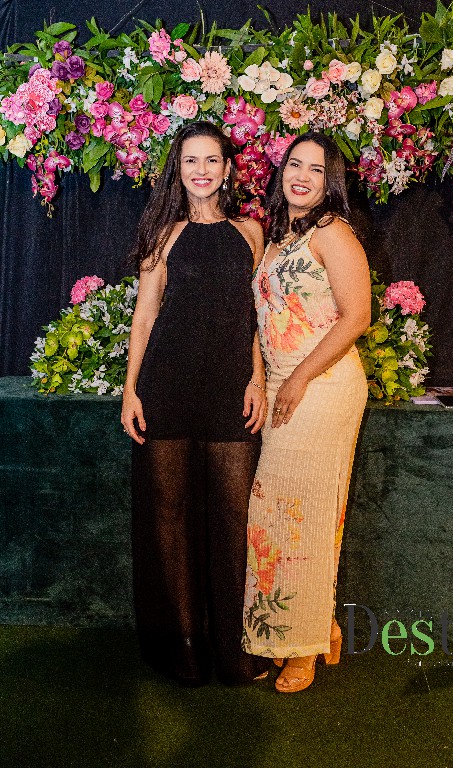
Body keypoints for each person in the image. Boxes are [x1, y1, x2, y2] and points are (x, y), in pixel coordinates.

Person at [121, 121, 270, 686]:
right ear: (177, 170)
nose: (201, 170)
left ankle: (233, 648)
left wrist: (257, 379)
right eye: (190, 161)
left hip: (230, 389)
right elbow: (145, 318)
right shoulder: (163, 236)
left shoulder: (251, 232)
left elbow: (255, 318)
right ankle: (184, 644)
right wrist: (132, 389)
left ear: (228, 168)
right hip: (167, 386)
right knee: (170, 515)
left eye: (211, 160)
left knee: (235, 518)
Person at [242, 131, 371, 692]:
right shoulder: (275, 237)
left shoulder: (332, 233)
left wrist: (296, 379)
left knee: (304, 513)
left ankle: (303, 648)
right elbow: (257, 320)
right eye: (295, 164)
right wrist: (260, 378)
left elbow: (357, 316)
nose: (302, 176)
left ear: (329, 182)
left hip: (323, 382)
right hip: (280, 382)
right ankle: (316, 629)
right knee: (278, 512)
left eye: (316, 170)